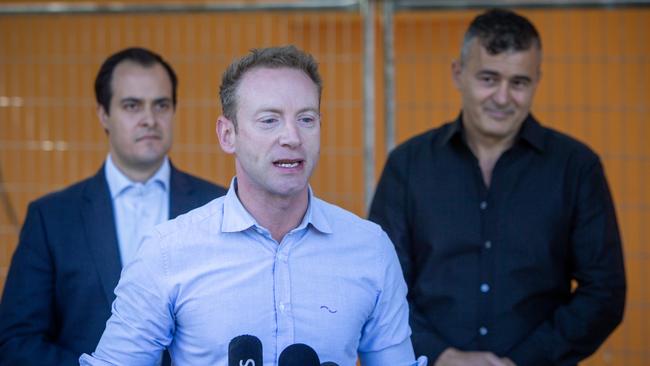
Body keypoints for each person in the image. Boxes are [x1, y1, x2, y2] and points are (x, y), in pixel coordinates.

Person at [79, 45, 426, 366]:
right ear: (227, 135)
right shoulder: (168, 252)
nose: (292, 137)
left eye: (306, 119)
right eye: (269, 120)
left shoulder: (370, 249)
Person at [369, 8, 625, 366]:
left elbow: (605, 292)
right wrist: (441, 355)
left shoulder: (576, 168)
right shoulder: (407, 165)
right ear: (458, 74)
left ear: (537, 80)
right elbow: (381, 284)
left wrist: (526, 360)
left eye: (519, 82)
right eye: (488, 78)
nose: (503, 98)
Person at [0, 47, 227, 366]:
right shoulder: (52, 218)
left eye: (161, 105)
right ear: (103, 114)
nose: (149, 119)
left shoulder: (218, 207)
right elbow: (17, 342)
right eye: (132, 105)